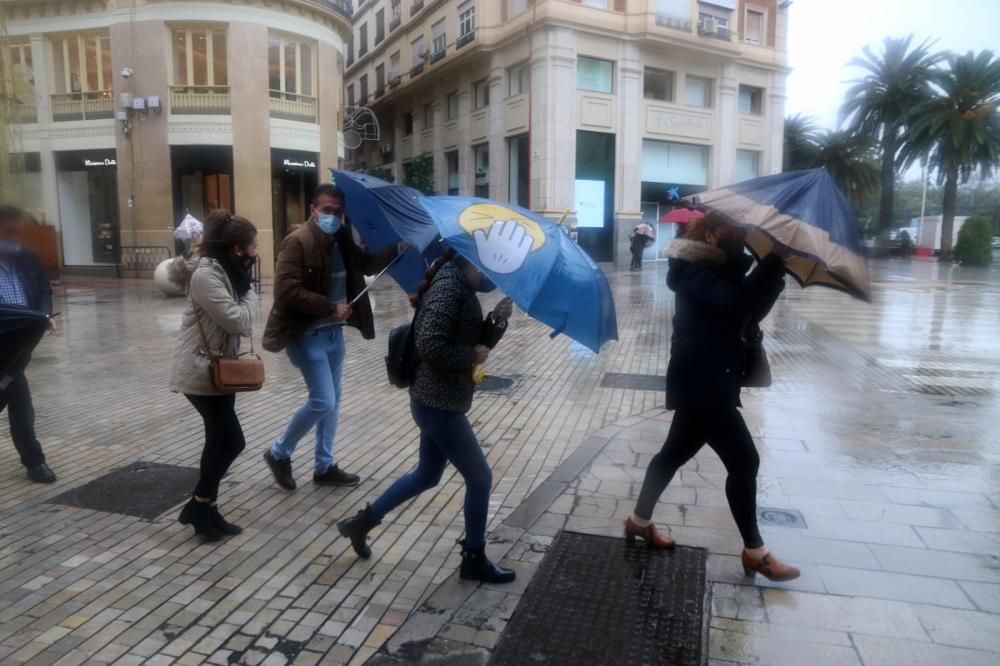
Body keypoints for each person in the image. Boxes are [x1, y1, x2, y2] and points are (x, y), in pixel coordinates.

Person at [624, 212, 801, 582]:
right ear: (710, 234)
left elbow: (748, 313)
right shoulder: (693, 271)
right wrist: (769, 262)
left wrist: (776, 270)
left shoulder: (722, 269)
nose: (741, 235)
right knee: (745, 461)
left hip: (711, 377)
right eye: (733, 230)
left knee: (673, 453)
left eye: (743, 230)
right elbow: (735, 305)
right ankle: (756, 552)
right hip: (702, 379)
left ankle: (639, 521)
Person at [337, 249, 517, 584]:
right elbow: (430, 344)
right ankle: (473, 557)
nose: (491, 275)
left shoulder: (460, 284)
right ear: (471, 262)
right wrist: (470, 356)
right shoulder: (449, 288)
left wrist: (496, 321)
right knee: (480, 478)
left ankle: (360, 524)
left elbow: (470, 337)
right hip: (438, 402)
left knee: (427, 474)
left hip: (437, 400)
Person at [262, 184, 405, 490]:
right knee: (323, 401)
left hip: (333, 336)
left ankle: (324, 466)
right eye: (327, 210)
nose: (333, 216)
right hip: (307, 334)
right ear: (312, 210)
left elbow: (365, 263)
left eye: (338, 212)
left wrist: (397, 249)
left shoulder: (340, 238)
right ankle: (279, 452)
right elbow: (285, 291)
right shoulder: (297, 242)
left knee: (333, 401)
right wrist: (330, 307)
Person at [169, 211, 258, 541]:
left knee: (218, 440)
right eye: (252, 245)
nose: (255, 252)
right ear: (237, 248)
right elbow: (236, 320)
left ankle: (206, 507)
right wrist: (250, 294)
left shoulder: (226, 270)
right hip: (199, 369)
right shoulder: (207, 275)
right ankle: (198, 504)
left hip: (218, 368)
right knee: (233, 440)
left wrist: (244, 288)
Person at [0, 205, 56, 484]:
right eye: (9, 232)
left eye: (19, 233)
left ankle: (35, 461)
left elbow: (44, 290)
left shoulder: (28, 259)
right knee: (18, 399)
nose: (16, 238)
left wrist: (43, 315)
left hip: (18, 346)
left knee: (19, 400)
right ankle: (35, 460)